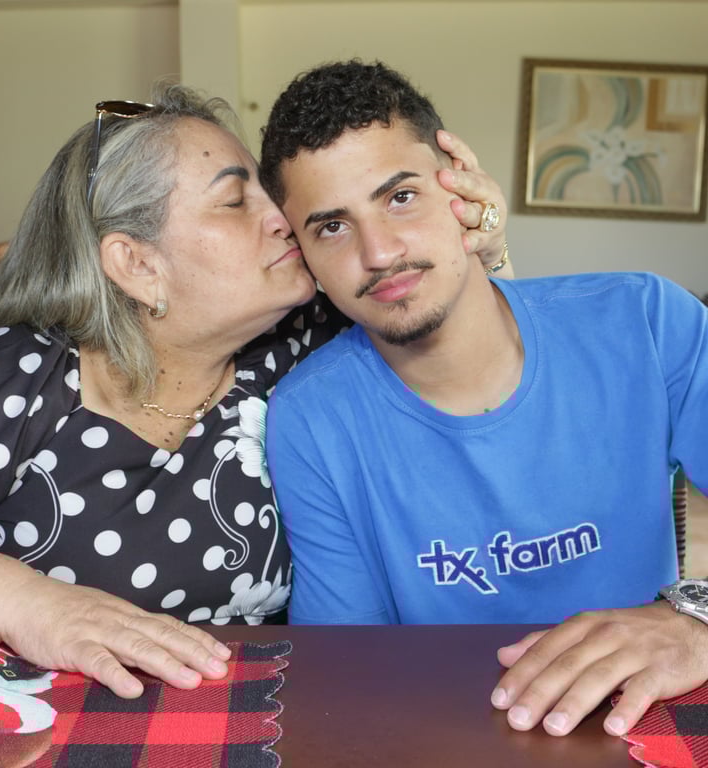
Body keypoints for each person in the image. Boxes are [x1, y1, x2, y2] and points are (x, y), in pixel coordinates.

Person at [0, 82, 508, 699]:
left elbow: (476, 364)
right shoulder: (6, 382)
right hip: (38, 730)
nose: (284, 218)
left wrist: (485, 248)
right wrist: (28, 602)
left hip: (259, 720)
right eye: (236, 201)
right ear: (137, 264)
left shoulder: (304, 346)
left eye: (270, 194)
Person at [260, 60, 708, 739]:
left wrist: (695, 619)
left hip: (644, 720)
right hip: (437, 731)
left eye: (400, 197)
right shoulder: (309, 417)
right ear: (304, 255)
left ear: (461, 185)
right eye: (331, 227)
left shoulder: (645, 320)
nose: (379, 252)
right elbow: (345, 670)